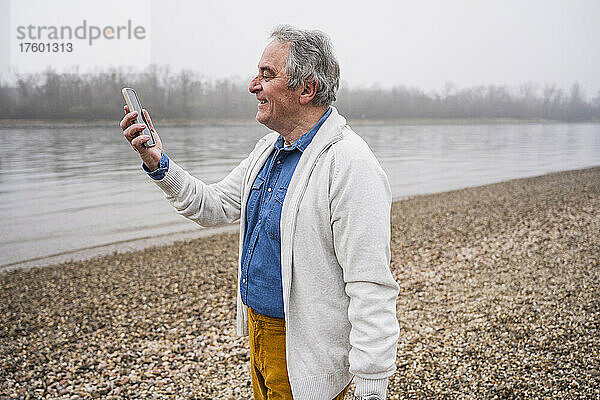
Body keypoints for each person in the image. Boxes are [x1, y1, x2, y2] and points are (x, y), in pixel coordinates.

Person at [120, 25, 399, 400]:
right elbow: (212, 205)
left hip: (308, 348)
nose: (253, 85)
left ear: (306, 89)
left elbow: (371, 285)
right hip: (259, 331)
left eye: (267, 75)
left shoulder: (350, 164)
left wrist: (371, 385)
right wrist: (157, 162)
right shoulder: (269, 150)